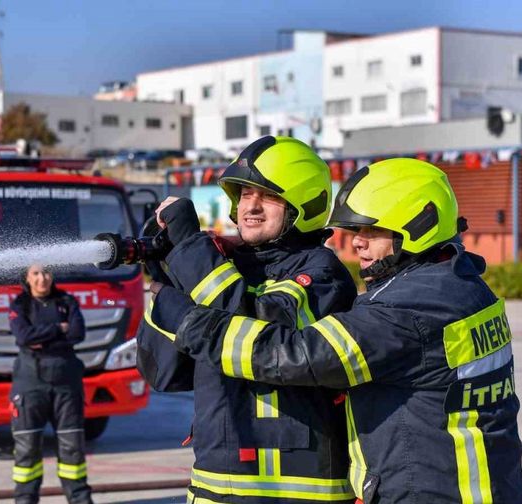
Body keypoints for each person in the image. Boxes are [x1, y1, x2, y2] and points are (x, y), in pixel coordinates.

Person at [152, 158, 522, 503]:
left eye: (372, 229)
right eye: (355, 229)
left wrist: (187, 318)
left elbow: (288, 355)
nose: (357, 241)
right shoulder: (461, 286)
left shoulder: (407, 310)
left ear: (419, 226)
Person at [139, 136, 358, 503]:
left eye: (267, 196)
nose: (250, 206)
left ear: (303, 204)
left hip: (300, 493)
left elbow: (257, 331)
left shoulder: (323, 275)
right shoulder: (220, 272)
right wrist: (167, 276)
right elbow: (164, 373)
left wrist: (191, 251)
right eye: (243, 194)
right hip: (214, 487)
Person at [9, 264, 93, 504]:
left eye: (46, 273)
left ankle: (80, 499)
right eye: (35, 273)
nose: (41, 279)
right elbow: (23, 336)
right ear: (26, 277)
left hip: (67, 386)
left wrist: (41, 337)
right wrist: (58, 329)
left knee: (73, 450)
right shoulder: (20, 305)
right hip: (29, 387)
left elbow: (77, 333)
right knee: (27, 450)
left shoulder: (66, 301)